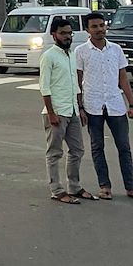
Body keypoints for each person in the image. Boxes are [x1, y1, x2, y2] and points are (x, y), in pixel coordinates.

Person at [75, 11, 133, 200]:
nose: (99, 29)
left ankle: (130, 186)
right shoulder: (81, 52)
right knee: (97, 146)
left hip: (116, 104)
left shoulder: (115, 49)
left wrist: (131, 103)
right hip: (93, 106)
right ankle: (104, 186)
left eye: (101, 25)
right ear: (87, 30)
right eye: (94, 27)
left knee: (124, 146)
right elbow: (78, 81)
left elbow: (123, 79)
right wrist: (81, 107)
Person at [39, 17, 97, 204]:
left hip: (71, 110)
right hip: (56, 112)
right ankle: (57, 190)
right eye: (63, 33)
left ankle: (74, 186)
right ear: (54, 35)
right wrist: (51, 113)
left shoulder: (71, 55)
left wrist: (80, 108)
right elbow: (44, 88)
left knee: (77, 150)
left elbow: (75, 85)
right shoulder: (49, 56)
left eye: (69, 33)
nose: (67, 36)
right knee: (54, 153)